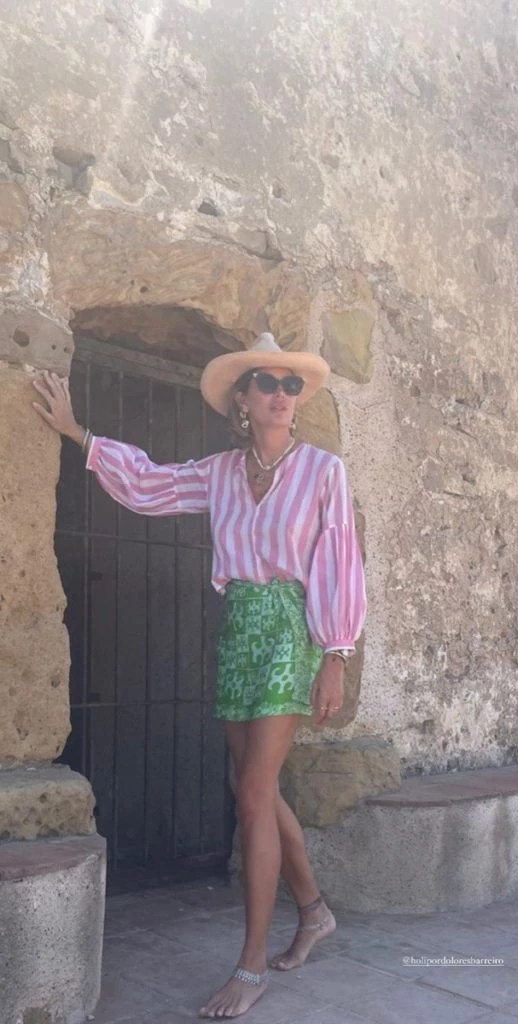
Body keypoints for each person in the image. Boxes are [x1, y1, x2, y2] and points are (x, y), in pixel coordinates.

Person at [32, 331, 366, 1019]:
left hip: (291, 631)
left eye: (291, 385)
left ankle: (250, 964)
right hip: (239, 626)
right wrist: (77, 434)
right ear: (243, 398)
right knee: (255, 789)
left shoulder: (323, 471)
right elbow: (151, 485)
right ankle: (314, 911)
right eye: (267, 382)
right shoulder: (220, 472)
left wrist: (336, 654)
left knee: (253, 794)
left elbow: (341, 560)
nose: (281, 394)